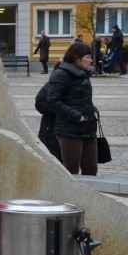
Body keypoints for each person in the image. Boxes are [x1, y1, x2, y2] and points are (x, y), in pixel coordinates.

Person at [45, 42, 99, 176]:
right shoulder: (61, 74)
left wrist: (93, 110)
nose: (91, 60)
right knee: (71, 172)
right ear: (76, 58)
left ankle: (88, 197)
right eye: (87, 57)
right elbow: (52, 101)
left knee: (91, 170)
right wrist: (76, 115)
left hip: (88, 128)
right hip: (69, 130)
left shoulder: (83, 73)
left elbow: (82, 99)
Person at [34, 62, 63, 162]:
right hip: (50, 130)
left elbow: (86, 103)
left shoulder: (77, 84)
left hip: (71, 132)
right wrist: (57, 109)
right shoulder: (50, 85)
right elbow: (39, 103)